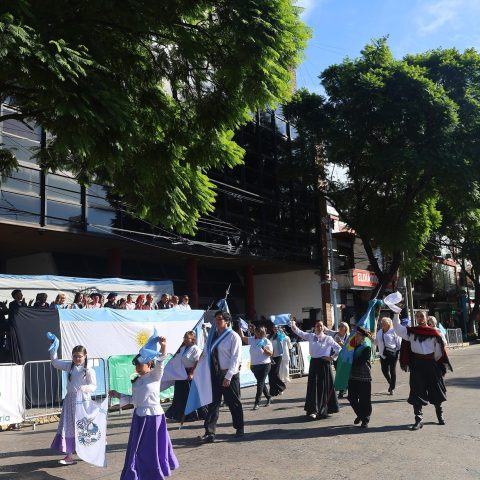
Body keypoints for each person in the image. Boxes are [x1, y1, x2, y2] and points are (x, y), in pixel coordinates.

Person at [110, 336, 179, 479]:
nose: (137, 366)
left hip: (153, 417)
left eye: (140, 363)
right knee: (137, 448)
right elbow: (133, 399)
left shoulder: (155, 375)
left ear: (149, 364)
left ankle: (154, 473)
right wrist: (118, 394)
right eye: (136, 364)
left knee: (152, 447)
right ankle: (136, 473)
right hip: (139, 417)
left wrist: (163, 346)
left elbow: (161, 360)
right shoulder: (136, 381)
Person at [393, 310, 452, 430]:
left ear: (426, 317)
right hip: (417, 365)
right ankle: (418, 420)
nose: (420, 318)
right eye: (418, 316)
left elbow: (439, 351)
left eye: (422, 316)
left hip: (431, 364)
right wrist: (396, 314)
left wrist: (433, 362)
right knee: (416, 391)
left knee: (436, 390)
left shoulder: (434, 332)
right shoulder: (412, 332)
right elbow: (398, 329)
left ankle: (440, 415)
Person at [199, 310, 244, 443]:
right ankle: (209, 432)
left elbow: (236, 358)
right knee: (213, 403)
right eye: (216, 319)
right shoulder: (213, 336)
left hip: (229, 374)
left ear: (227, 321)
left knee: (233, 402)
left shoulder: (233, 336)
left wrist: (228, 376)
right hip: (215, 373)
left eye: (220, 319)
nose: (217, 322)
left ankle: (239, 428)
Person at [49, 342, 96, 465]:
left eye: (79, 356)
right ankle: (69, 455)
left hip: (83, 401)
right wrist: (54, 350)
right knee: (68, 427)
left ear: (85, 356)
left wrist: (85, 388)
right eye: (75, 356)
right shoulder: (69, 366)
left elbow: (93, 386)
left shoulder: (88, 370)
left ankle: (89, 452)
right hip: (70, 400)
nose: (77, 358)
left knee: (84, 427)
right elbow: (55, 363)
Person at [291, 318, 341, 419]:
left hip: (324, 364)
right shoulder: (311, 336)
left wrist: (331, 358)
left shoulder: (328, 338)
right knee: (314, 387)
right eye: (318, 326)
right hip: (314, 364)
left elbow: (339, 349)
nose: (319, 327)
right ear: (314, 327)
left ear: (323, 327)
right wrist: (293, 324)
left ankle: (324, 410)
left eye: (321, 326)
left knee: (324, 387)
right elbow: (299, 332)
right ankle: (313, 410)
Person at [165, 330, 205, 421]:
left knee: (189, 395)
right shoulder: (182, 348)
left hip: (190, 373)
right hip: (181, 373)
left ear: (193, 339)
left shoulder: (195, 349)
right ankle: (178, 415)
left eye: (187, 338)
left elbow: (198, 362)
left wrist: (192, 373)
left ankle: (192, 415)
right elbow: (176, 359)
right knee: (179, 395)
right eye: (184, 338)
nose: (185, 340)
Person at [239, 326, 273, 409]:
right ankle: (268, 397)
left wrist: (264, 348)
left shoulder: (266, 341)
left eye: (257, 332)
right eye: (255, 331)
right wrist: (240, 328)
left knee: (260, 383)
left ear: (261, 333)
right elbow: (243, 338)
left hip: (265, 365)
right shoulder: (252, 339)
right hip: (254, 366)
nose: (255, 333)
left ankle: (257, 403)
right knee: (261, 383)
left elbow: (270, 353)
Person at [347, 327, 372, 428]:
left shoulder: (366, 347)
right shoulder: (352, 345)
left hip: (363, 375)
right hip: (352, 375)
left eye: (358, 334)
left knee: (364, 399)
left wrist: (350, 362)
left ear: (363, 337)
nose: (356, 336)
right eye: (356, 334)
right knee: (351, 398)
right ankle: (360, 415)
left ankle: (365, 419)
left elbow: (362, 360)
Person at [375, 317, 401, 395]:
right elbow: (376, 343)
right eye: (382, 323)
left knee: (392, 370)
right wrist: (370, 337)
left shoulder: (394, 331)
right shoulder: (379, 332)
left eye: (384, 323)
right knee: (384, 370)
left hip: (392, 354)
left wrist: (397, 352)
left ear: (389, 324)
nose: (382, 324)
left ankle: (392, 388)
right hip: (382, 354)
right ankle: (391, 383)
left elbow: (399, 344)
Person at [268, 325, 291, 397]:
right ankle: (273, 391)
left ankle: (281, 387)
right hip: (271, 356)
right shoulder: (269, 336)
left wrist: (281, 332)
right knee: (271, 374)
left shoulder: (280, 336)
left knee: (275, 373)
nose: (275, 329)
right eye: (274, 328)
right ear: (272, 328)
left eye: (277, 328)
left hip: (278, 356)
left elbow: (285, 338)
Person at [332, 322, 350, 398]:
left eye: (342, 326)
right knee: (339, 373)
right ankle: (344, 388)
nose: (340, 327)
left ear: (346, 328)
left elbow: (349, 348)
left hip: (345, 358)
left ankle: (342, 390)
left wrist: (341, 343)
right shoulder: (335, 335)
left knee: (343, 373)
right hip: (336, 357)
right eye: (339, 326)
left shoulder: (349, 336)